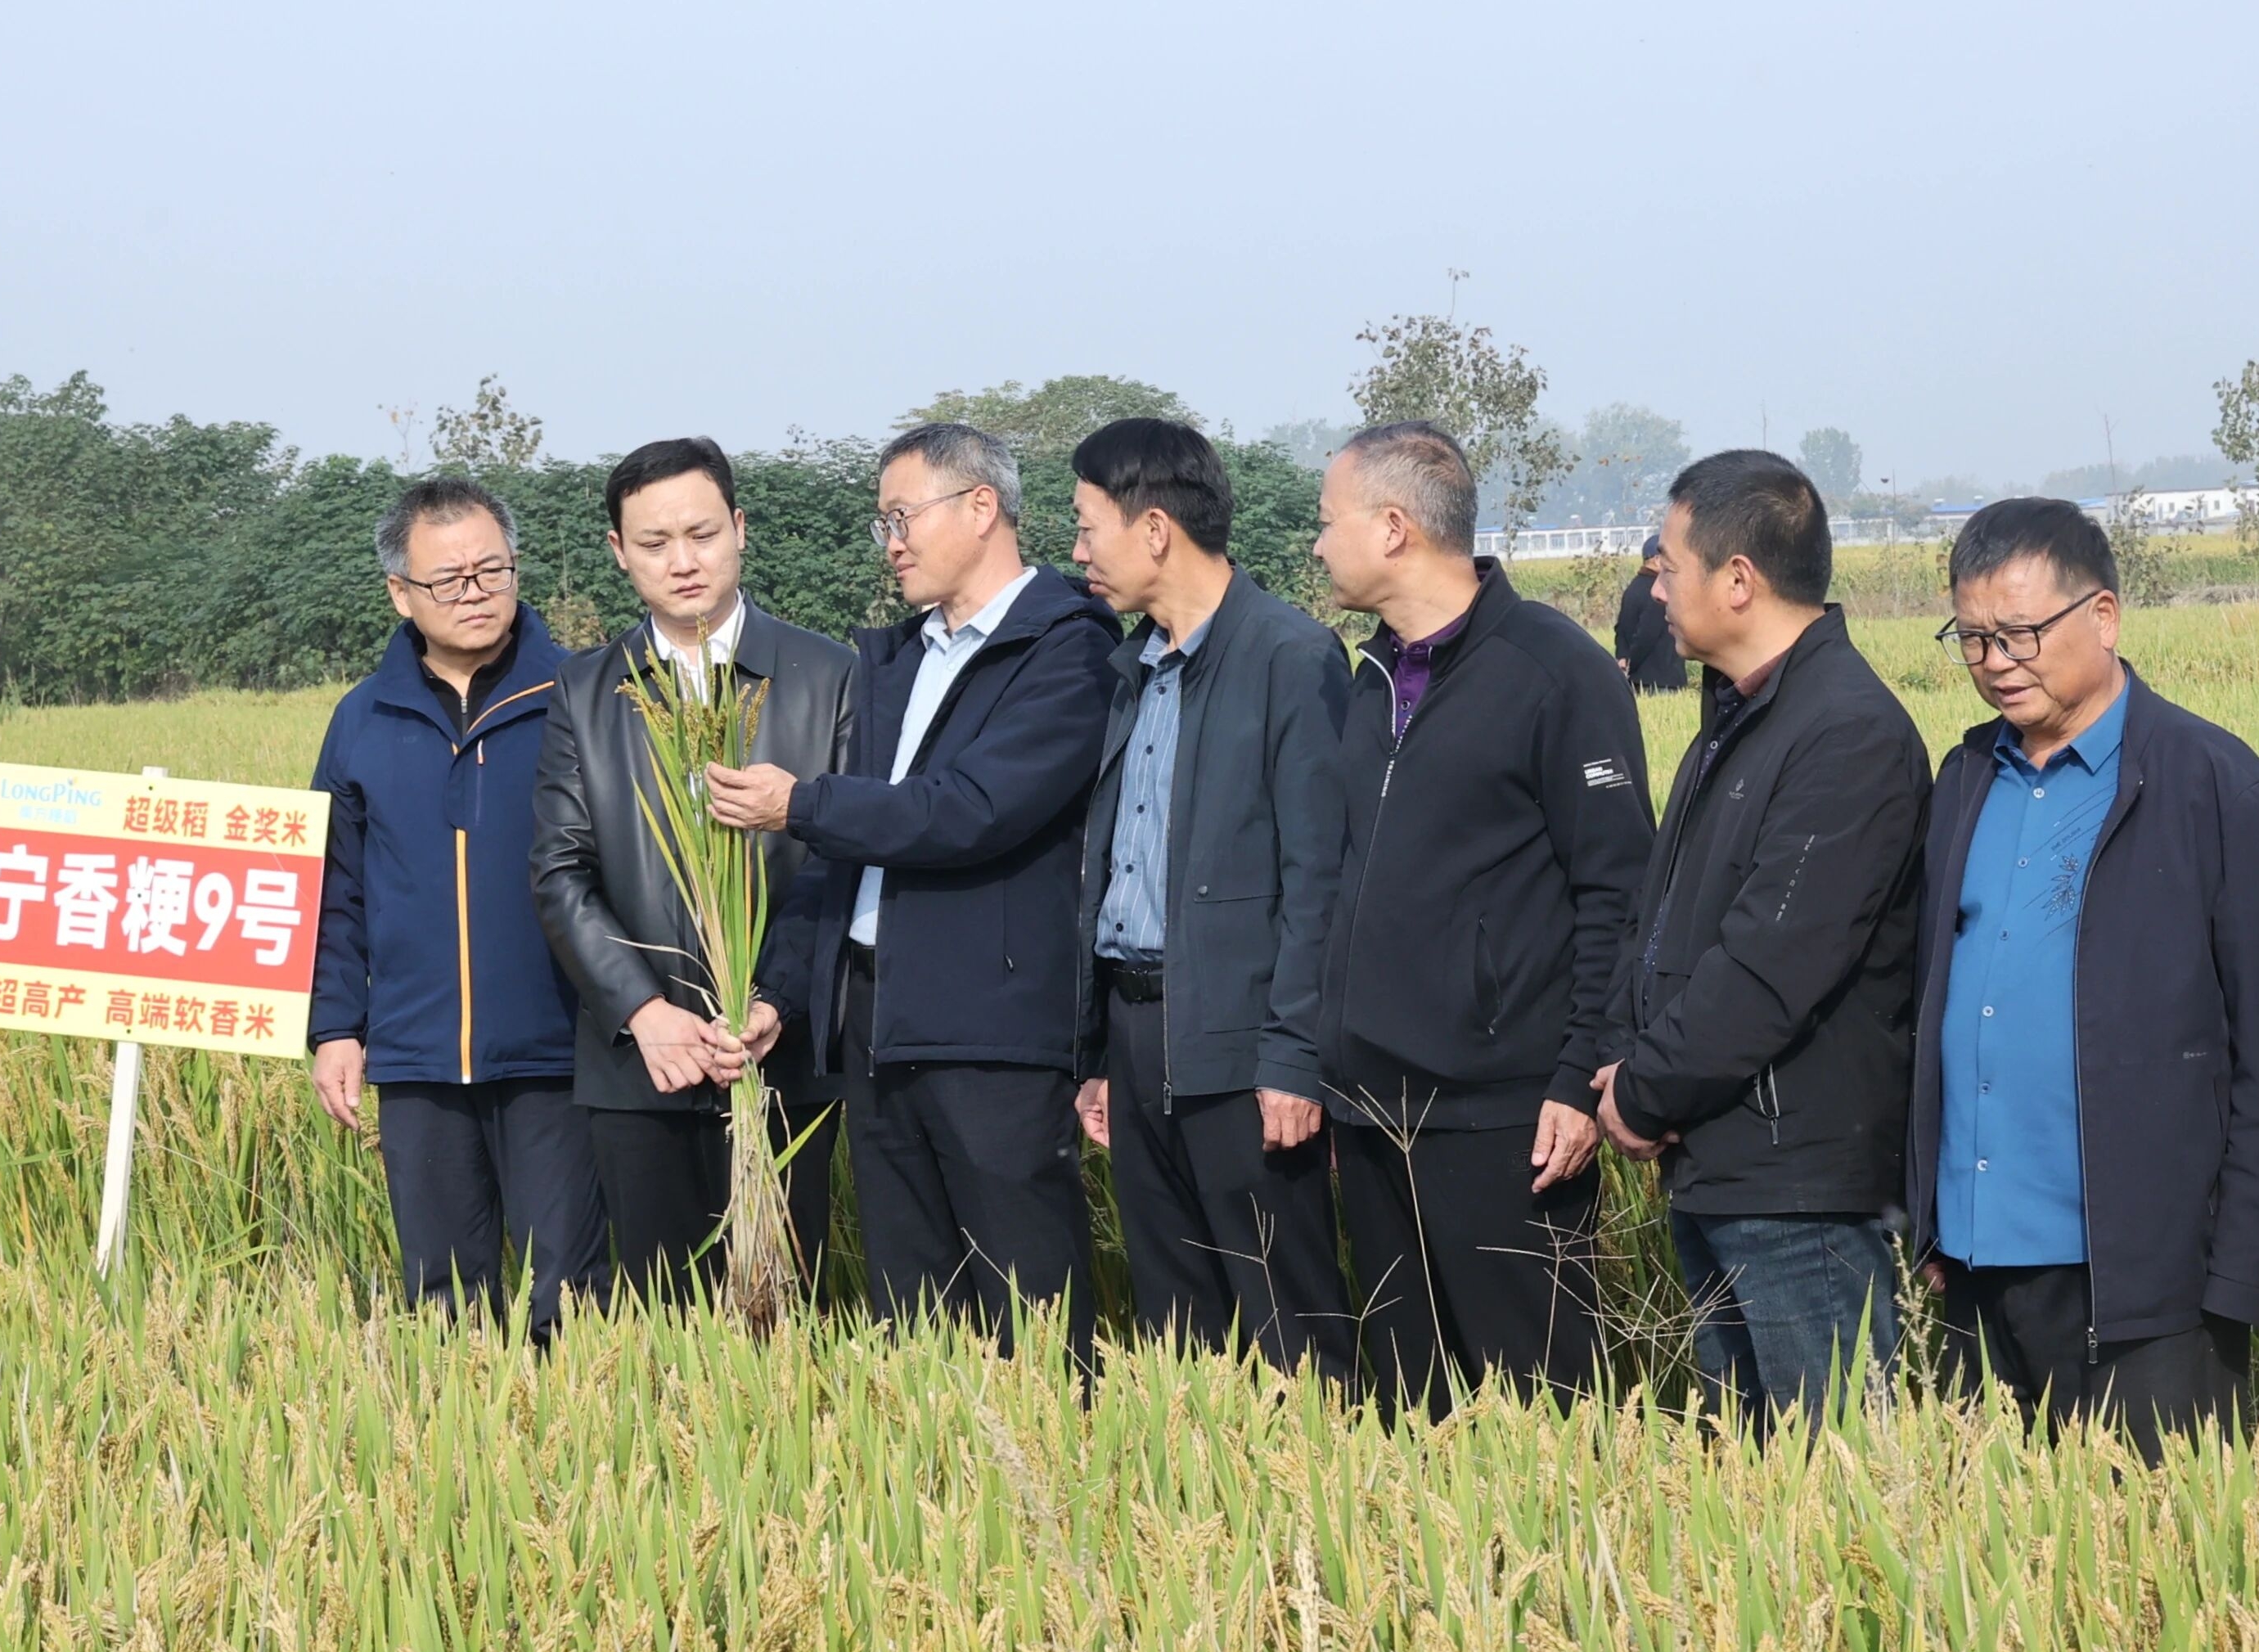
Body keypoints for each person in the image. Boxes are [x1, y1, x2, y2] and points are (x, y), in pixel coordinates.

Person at [1903, 496, 2259, 1453]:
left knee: (2154, 1570)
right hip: (1976, 1261)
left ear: (2102, 616)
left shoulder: (2217, 788)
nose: (1996, 661)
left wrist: (2241, 1275)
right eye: (1970, 639)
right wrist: (1929, 1218)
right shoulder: (1965, 779)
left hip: (2146, 1279)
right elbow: (1930, 996)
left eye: (2019, 633)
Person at [707, 423, 1115, 1358]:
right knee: (912, 1309)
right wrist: (782, 990)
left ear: (981, 508)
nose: (890, 541)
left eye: (904, 516)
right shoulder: (891, 660)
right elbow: (840, 852)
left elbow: (971, 809)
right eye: (881, 521)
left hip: (991, 1025)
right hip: (878, 1022)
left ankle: (1054, 1473)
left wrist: (801, 801)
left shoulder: (1067, 650)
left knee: (1026, 1301)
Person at [1310, 421, 1654, 1411]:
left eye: (1329, 523)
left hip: (1505, 1115)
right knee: (1410, 1411)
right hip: (1372, 1111)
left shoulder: (1555, 669)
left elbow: (1616, 890)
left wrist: (1575, 1075)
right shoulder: (1367, 675)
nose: (1318, 546)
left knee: (1536, 1403)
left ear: (1391, 527)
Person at [1594, 452, 1928, 1429]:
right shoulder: (1737, 715)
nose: (1652, 585)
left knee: (1837, 1492)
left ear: (1738, 579)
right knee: (1751, 1497)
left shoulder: (1846, 734)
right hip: (1720, 1160)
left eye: (1666, 564)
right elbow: (1657, 918)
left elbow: (1769, 964)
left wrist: (1645, 1089)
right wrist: (1624, 1060)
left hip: (1799, 1190)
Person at [530, 437, 858, 1302]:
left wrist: (773, 1000)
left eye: (702, 533)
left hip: (780, 1058)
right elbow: (561, 870)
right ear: (617, 552)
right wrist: (645, 1012)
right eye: (653, 542)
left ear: (740, 529)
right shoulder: (585, 691)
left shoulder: (830, 677)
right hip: (642, 1067)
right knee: (660, 1319)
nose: (683, 562)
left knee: (788, 1309)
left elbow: (841, 860)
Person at [1065, 417, 1357, 1376]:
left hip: (1245, 1047)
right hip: (1138, 1026)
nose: (1077, 553)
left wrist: (1294, 1053)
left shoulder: (1290, 656)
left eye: (1087, 525)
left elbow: (1319, 878)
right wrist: (1099, 1055)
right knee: (1175, 1319)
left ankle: (1324, 1498)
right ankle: (1201, 1503)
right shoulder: (1134, 667)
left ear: (1154, 530)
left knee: (1284, 1312)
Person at [306, 477, 596, 1337]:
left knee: (572, 1302)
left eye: (491, 570)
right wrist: (335, 1027)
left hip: (560, 1056)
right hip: (416, 1060)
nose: (475, 593)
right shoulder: (364, 717)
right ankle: (453, 1462)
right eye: (448, 579)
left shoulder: (582, 697)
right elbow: (335, 888)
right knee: (443, 1308)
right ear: (400, 592)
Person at [1612, 534, 1688, 695]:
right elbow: (1646, 634)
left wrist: (1623, 656)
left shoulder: (1633, 587)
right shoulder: (1658, 592)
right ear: (1657, 560)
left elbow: (1621, 628)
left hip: (1640, 679)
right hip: (1662, 681)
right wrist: (1633, 662)